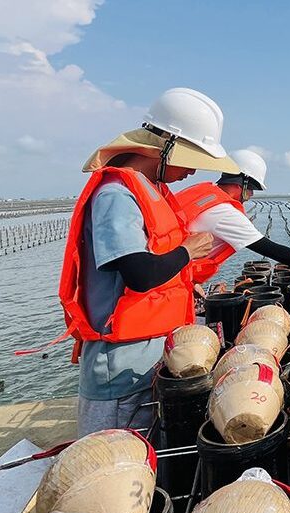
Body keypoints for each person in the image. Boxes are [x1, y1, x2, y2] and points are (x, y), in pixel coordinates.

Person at [60, 87, 239, 437]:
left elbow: (156, 263)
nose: (193, 171)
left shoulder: (152, 191)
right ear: (166, 146)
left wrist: (185, 279)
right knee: (112, 460)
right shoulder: (116, 195)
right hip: (121, 368)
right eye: (192, 158)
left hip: (150, 357)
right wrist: (187, 252)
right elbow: (139, 273)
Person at [175, 148, 290, 284]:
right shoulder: (224, 213)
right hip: (172, 281)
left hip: (171, 270)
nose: (251, 195)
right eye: (252, 189)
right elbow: (272, 250)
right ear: (244, 182)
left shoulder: (203, 192)